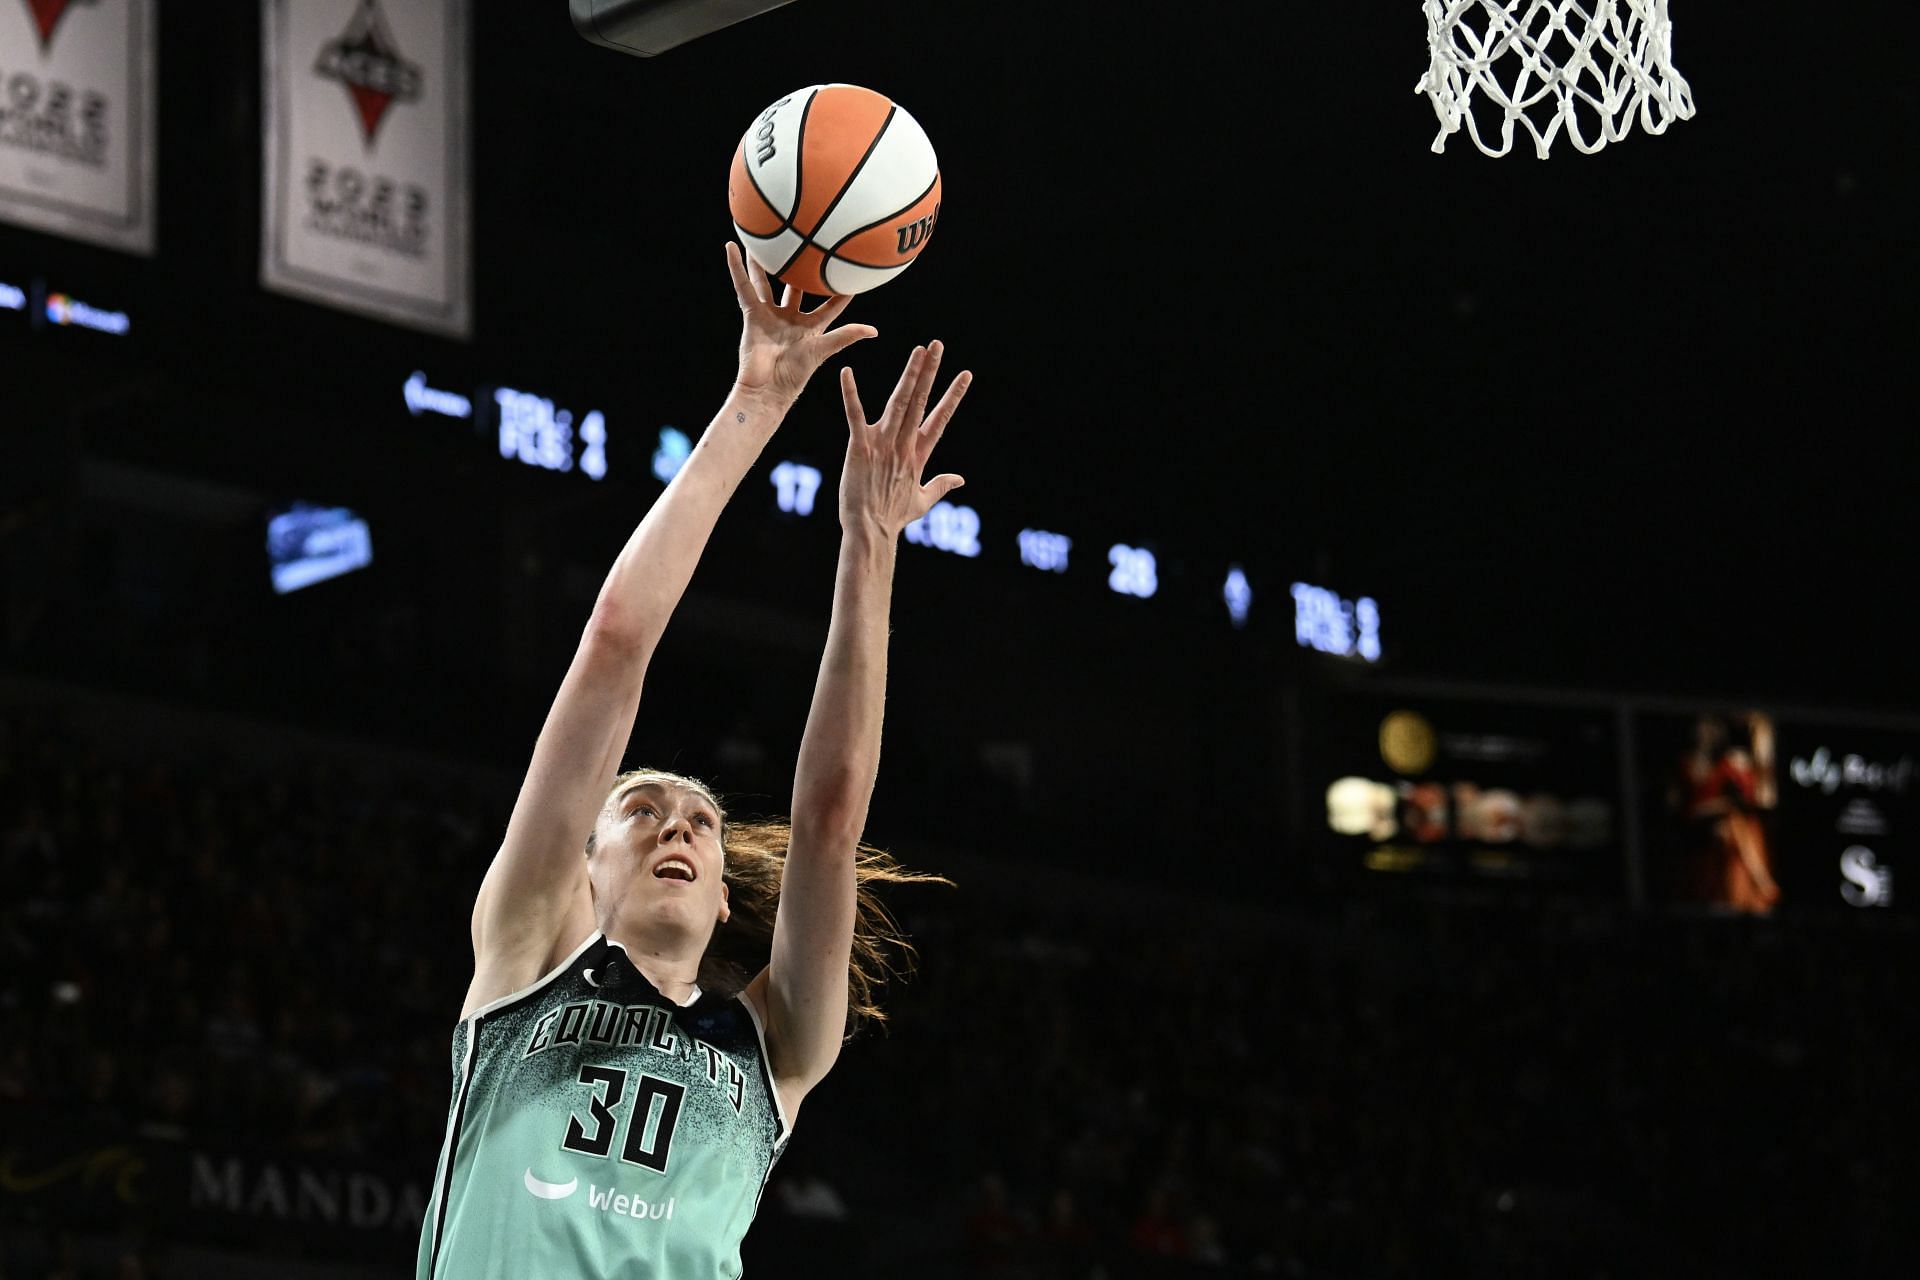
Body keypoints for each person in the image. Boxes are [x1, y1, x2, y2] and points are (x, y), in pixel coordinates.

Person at [416, 244, 971, 1278]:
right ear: (582, 867)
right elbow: (616, 639)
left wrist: (870, 538)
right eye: (642, 808)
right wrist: (756, 402)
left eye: (701, 821)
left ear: (724, 900)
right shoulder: (525, 952)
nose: (678, 822)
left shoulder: (777, 1043)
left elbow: (832, 815)